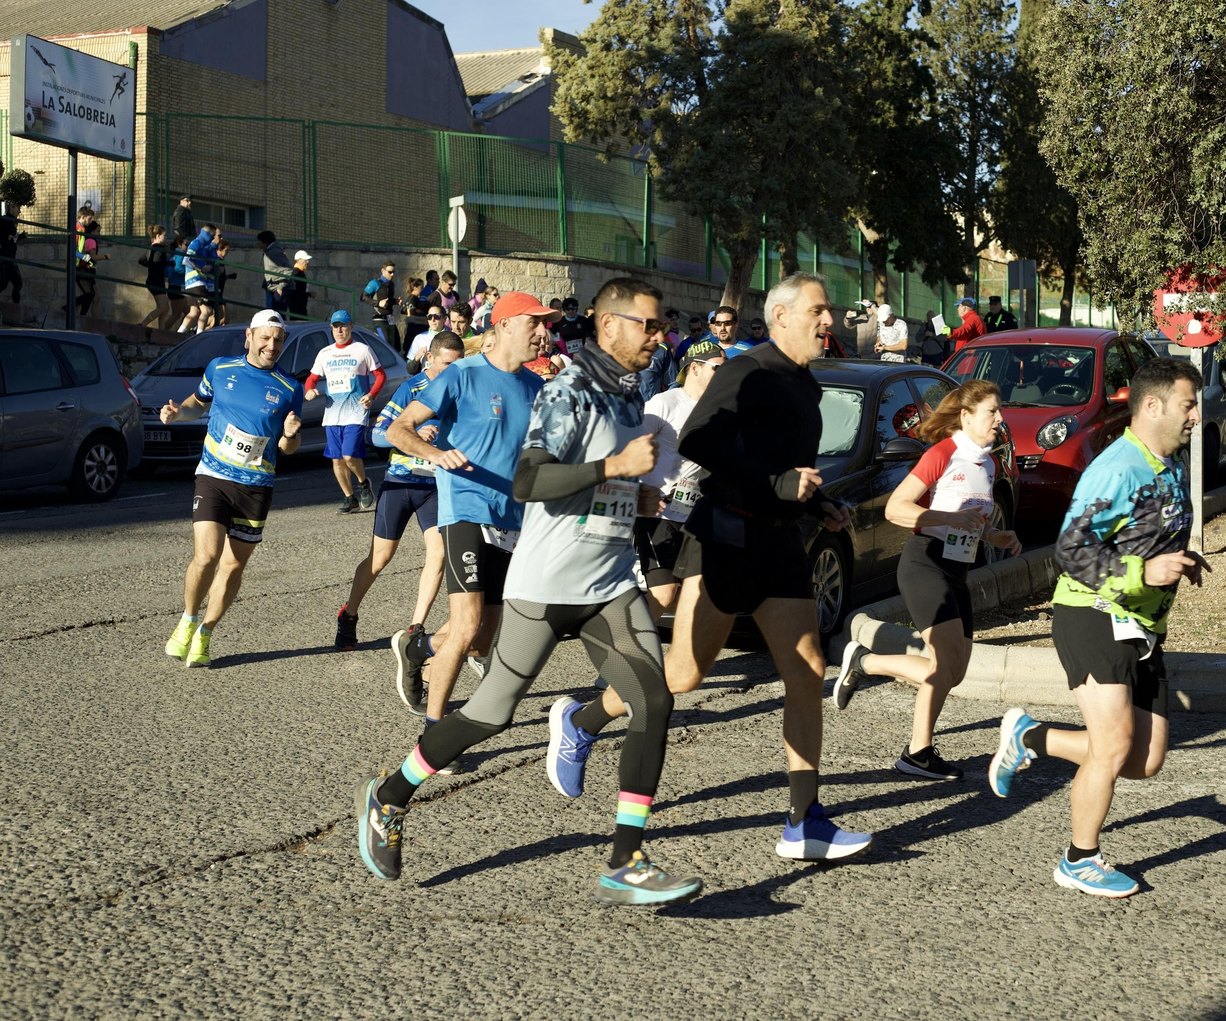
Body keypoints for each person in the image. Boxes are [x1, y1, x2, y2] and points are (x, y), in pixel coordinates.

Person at [354, 279, 705, 905]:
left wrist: (635, 497)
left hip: (608, 581)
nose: (661, 337)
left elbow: (600, 488)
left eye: (660, 327)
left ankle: (627, 859)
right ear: (609, 326)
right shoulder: (566, 391)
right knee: (491, 712)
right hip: (545, 582)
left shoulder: (625, 396)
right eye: (649, 325)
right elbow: (531, 480)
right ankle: (391, 793)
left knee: (653, 697)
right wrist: (615, 471)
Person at [550, 272, 871, 862]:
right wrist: (778, 481)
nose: (830, 321)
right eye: (819, 311)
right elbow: (699, 440)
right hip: (726, 536)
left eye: (829, 312)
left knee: (808, 671)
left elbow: (784, 464)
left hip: (777, 540)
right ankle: (584, 719)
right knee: (685, 674)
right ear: (781, 316)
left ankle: (804, 822)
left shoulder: (805, 383)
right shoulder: (747, 373)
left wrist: (817, 501)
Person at [987, 357, 1207, 899]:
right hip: (1091, 613)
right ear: (1152, 406)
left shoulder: (1169, 462)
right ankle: (1079, 859)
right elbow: (1070, 551)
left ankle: (1030, 736)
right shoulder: (1117, 469)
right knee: (1110, 748)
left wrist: (1179, 559)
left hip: (1141, 622)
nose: (1197, 416)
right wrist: (1143, 570)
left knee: (1145, 761)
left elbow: (1147, 533)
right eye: (1189, 404)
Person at [383, 293, 557, 726]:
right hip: (465, 506)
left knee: (480, 641)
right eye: (534, 323)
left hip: (511, 520)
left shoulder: (538, 389)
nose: (543, 332)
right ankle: (434, 733)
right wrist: (434, 453)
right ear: (503, 326)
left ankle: (417, 648)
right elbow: (397, 429)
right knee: (465, 625)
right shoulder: (462, 374)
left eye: (545, 324)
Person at [835, 379, 1022, 778]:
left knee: (954, 671)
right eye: (992, 411)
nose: (999, 419)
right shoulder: (943, 453)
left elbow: (972, 522)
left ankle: (869, 671)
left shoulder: (987, 463)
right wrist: (947, 518)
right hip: (925, 563)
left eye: (1000, 410)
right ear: (967, 416)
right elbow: (897, 509)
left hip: (958, 567)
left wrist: (995, 535)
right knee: (941, 665)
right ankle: (916, 748)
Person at [160, 310, 304, 667]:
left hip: (256, 486)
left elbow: (288, 449)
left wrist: (289, 435)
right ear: (249, 336)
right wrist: (178, 413)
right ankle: (188, 619)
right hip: (213, 476)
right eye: (266, 338)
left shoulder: (290, 388)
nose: (272, 346)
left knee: (232, 567)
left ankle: (205, 634)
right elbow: (198, 403)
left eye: (279, 340)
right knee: (206, 557)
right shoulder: (220, 368)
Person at [334, 331, 465, 652]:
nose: (453, 371)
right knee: (380, 559)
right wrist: (414, 431)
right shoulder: (412, 389)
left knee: (439, 554)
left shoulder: (463, 388)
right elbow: (377, 435)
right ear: (429, 358)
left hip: (436, 486)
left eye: (458, 364)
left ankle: (416, 627)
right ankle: (349, 614)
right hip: (402, 482)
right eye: (447, 364)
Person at [629, 340, 727, 620]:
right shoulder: (665, 403)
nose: (723, 374)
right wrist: (639, 488)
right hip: (657, 512)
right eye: (717, 368)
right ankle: (629, 649)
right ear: (695, 368)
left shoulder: (719, 410)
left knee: (694, 593)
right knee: (664, 592)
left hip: (696, 514)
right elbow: (631, 448)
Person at [304, 310, 386, 513]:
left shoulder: (362, 350)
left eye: (343, 326)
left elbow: (380, 375)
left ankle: (362, 483)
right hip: (333, 413)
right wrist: (309, 390)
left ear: (352, 327)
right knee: (337, 459)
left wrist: (371, 395)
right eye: (335, 326)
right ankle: (350, 499)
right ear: (331, 328)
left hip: (356, 411)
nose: (339, 330)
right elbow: (312, 378)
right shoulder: (325, 353)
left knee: (348, 455)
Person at [179, 223, 218, 333]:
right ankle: (199, 335)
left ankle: (179, 333)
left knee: (194, 312)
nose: (213, 238)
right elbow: (186, 260)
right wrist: (201, 268)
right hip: (197, 282)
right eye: (213, 235)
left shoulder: (203, 247)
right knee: (207, 310)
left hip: (191, 284)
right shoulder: (197, 243)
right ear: (208, 233)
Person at [73, 217, 110, 317]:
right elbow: (93, 257)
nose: (99, 234)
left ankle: (79, 316)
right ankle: (72, 312)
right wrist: (105, 257)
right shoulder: (91, 241)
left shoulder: (87, 239)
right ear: (92, 231)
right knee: (91, 296)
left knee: (90, 297)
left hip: (87, 269)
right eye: (98, 231)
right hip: (88, 271)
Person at [137, 225, 172, 328]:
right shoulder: (158, 248)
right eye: (164, 235)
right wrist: (169, 264)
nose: (166, 238)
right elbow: (157, 261)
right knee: (162, 308)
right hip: (155, 281)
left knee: (165, 308)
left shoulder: (152, 248)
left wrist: (151, 266)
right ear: (158, 236)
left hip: (157, 280)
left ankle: (161, 331)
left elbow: (142, 260)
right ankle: (142, 324)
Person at [0, 205, 22, 304]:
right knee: (17, 283)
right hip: (7, 255)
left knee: (3, 284)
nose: (19, 211)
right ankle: (15, 308)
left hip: (7, 254)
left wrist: (21, 236)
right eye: (18, 208)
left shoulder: (10, 220)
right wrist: (5, 237)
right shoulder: (6, 219)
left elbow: (11, 238)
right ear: (11, 207)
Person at [257, 231, 294, 313]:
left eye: (259, 241)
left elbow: (288, 270)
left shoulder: (274, 253)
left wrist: (280, 288)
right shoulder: (269, 252)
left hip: (280, 288)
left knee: (278, 314)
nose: (257, 243)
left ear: (265, 242)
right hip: (274, 287)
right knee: (276, 313)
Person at [289, 251, 312, 319]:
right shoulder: (296, 273)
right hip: (297, 307)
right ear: (298, 260)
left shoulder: (300, 272)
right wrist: (309, 294)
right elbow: (297, 292)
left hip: (300, 307)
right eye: (305, 260)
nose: (307, 261)